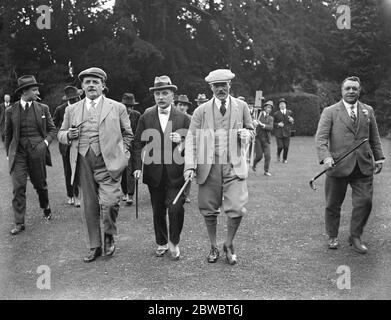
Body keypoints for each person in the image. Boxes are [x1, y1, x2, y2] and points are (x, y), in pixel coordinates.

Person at [58, 67, 133, 262]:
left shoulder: (117, 108)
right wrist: (68, 135)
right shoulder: (71, 109)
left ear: (103, 86)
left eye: (95, 82)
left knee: (109, 203)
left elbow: (128, 134)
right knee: (88, 205)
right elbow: (60, 133)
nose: (91, 85)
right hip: (82, 161)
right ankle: (94, 245)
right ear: (82, 87)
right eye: (87, 82)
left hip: (108, 162)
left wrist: (122, 154)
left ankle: (109, 235)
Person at [184, 69, 253, 265]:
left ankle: (228, 244)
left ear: (230, 85)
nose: (220, 88)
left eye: (224, 84)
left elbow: (250, 129)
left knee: (237, 208)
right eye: (216, 85)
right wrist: (190, 166)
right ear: (211, 87)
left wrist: (248, 135)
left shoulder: (242, 106)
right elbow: (191, 139)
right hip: (209, 166)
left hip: (234, 165)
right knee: (208, 208)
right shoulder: (200, 111)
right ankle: (213, 246)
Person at [315, 76, 384, 253]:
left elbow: (374, 136)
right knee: (332, 204)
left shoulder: (368, 110)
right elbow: (321, 139)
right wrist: (326, 158)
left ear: (359, 90)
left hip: (363, 165)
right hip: (337, 165)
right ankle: (332, 236)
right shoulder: (330, 111)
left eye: (355, 88)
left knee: (365, 202)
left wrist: (379, 157)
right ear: (342, 91)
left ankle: (355, 235)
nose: (351, 91)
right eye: (348, 88)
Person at [133, 75, 190, 260]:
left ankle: (174, 241)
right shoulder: (146, 116)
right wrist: (137, 166)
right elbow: (137, 143)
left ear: (172, 95)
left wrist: (181, 140)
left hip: (177, 173)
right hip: (154, 172)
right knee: (158, 210)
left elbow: (194, 143)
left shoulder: (183, 118)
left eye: (165, 93)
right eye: (157, 93)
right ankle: (162, 242)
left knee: (176, 209)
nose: (161, 97)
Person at [5, 75, 57, 235]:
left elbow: (52, 130)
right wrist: (9, 153)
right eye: (34, 89)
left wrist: (45, 144)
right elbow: (8, 134)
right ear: (25, 92)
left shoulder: (43, 108)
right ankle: (19, 222)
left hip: (37, 151)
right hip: (18, 153)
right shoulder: (10, 110)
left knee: (40, 185)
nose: (37, 92)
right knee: (18, 186)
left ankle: (45, 206)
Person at [53, 86, 83, 207]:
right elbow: (54, 125)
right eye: (73, 98)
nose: (76, 100)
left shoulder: (82, 106)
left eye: (77, 97)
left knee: (79, 170)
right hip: (66, 146)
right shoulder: (60, 109)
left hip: (80, 144)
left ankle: (78, 195)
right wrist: (65, 134)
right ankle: (70, 195)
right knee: (68, 171)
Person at [121, 93, 141, 205]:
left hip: (134, 146)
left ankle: (130, 194)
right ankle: (124, 192)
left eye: (131, 106)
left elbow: (140, 130)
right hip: (121, 145)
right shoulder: (117, 115)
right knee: (123, 170)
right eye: (126, 106)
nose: (129, 109)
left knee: (131, 169)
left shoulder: (137, 115)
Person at [252, 100, 274, 176]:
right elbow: (253, 118)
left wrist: (262, 125)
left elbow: (270, 127)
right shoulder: (259, 115)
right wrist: (254, 122)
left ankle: (266, 171)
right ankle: (254, 164)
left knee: (268, 156)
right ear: (265, 108)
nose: (269, 109)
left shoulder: (271, 118)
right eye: (268, 107)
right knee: (259, 156)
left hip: (266, 139)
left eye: (270, 108)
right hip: (258, 138)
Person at [273, 98, 294, 163]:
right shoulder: (276, 114)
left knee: (286, 147)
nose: (282, 105)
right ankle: (278, 154)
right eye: (280, 104)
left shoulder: (289, 112)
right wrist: (278, 124)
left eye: (283, 104)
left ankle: (284, 159)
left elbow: (292, 121)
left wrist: (292, 121)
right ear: (279, 106)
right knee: (280, 146)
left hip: (287, 132)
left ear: (285, 105)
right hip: (279, 133)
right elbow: (273, 123)